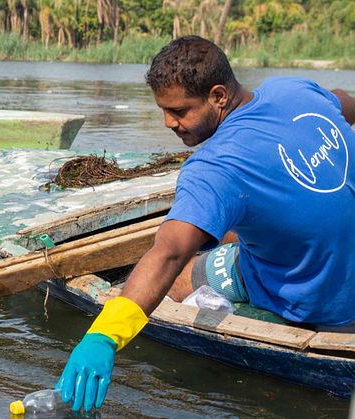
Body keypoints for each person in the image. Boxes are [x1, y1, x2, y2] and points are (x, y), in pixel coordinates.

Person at [56, 35, 355, 412]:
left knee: (182, 273)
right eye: (163, 111)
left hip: (323, 304)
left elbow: (169, 254)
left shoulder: (214, 167)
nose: (168, 123)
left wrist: (103, 337)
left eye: (179, 111)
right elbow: (345, 101)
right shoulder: (294, 90)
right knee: (239, 219)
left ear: (218, 96)